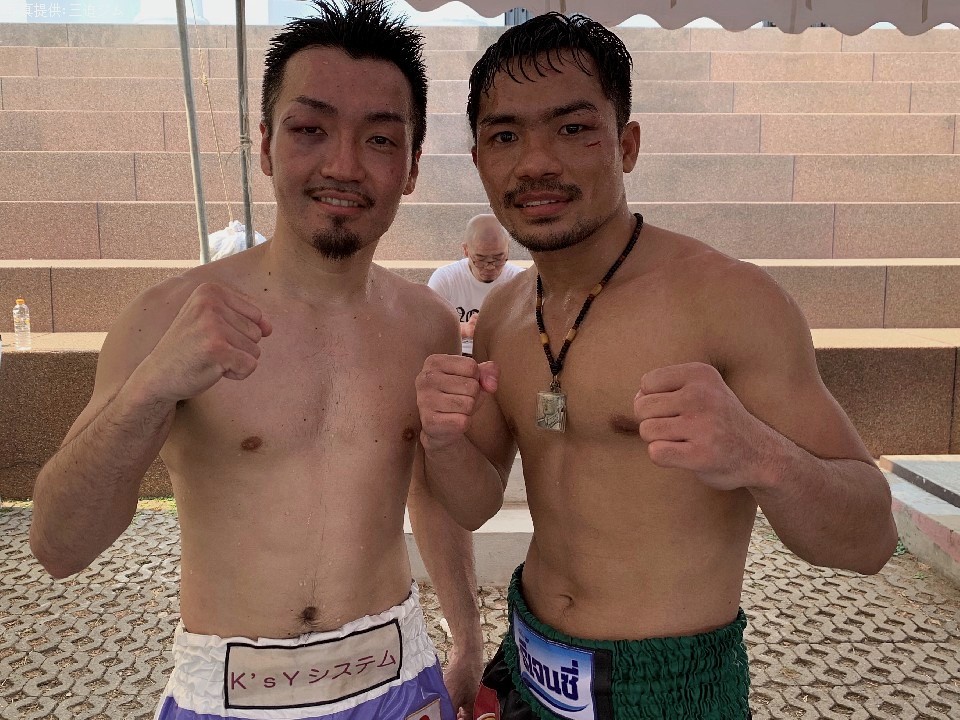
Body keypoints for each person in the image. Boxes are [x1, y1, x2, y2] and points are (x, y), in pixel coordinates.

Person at [415, 13, 899, 720]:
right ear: (479, 157)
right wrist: (443, 438)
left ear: (628, 144)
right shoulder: (503, 315)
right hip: (531, 660)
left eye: (573, 128)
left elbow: (872, 540)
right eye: (505, 135)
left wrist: (759, 454)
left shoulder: (729, 301)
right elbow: (474, 502)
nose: (536, 162)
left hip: (670, 688)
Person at [28, 2, 483, 719]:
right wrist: (151, 387)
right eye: (310, 129)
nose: (343, 165)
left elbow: (433, 493)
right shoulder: (167, 318)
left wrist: (468, 637)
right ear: (267, 145)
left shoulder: (426, 323)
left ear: (413, 167)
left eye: (379, 139)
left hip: (399, 678)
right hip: (230, 694)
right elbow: (58, 547)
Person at [427, 214, 523, 356]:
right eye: (480, 259)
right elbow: (428, 327)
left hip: (502, 354)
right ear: (466, 250)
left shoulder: (519, 279)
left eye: (499, 258)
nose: (490, 267)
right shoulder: (445, 278)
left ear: (508, 249)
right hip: (458, 353)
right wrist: (465, 330)